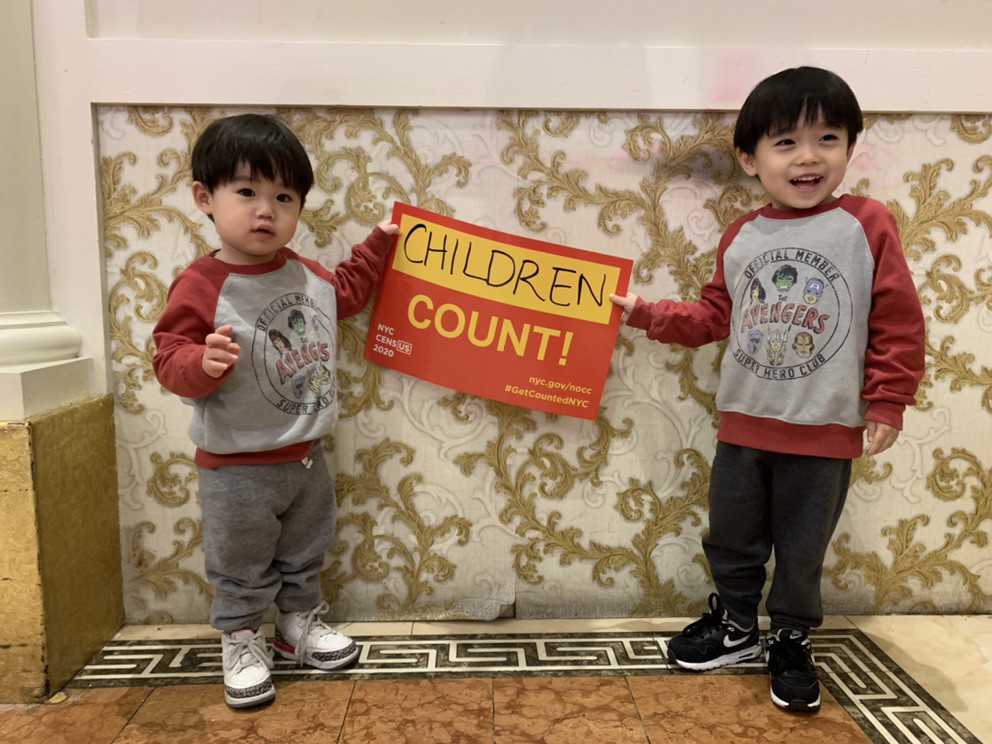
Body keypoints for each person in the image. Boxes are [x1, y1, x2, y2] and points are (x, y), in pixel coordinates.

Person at [610, 66, 925, 713]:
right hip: (744, 426)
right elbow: (710, 317)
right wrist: (643, 312)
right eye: (786, 142)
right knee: (730, 535)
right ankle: (733, 625)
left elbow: (897, 319)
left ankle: (789, 637)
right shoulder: (741, 237)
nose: (808, 157)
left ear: (849, 148)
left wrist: (888, 399)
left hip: (826, 431)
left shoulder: (868, 225)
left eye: (827, 138)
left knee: (802, 548)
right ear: (749, 160)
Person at [152, 113, 399, 708]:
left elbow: (347, 290)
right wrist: (199, 363)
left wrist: (383, 242)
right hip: (235, 465)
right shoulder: (202, 282)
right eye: (247, 192)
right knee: (239, 562)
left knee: (305, 548)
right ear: (204, 198)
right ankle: (240, 638)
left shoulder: (307, 273)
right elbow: (167, 357)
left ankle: (297, 626)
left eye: (283, 197)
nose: (266, 210)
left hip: (306, 455)